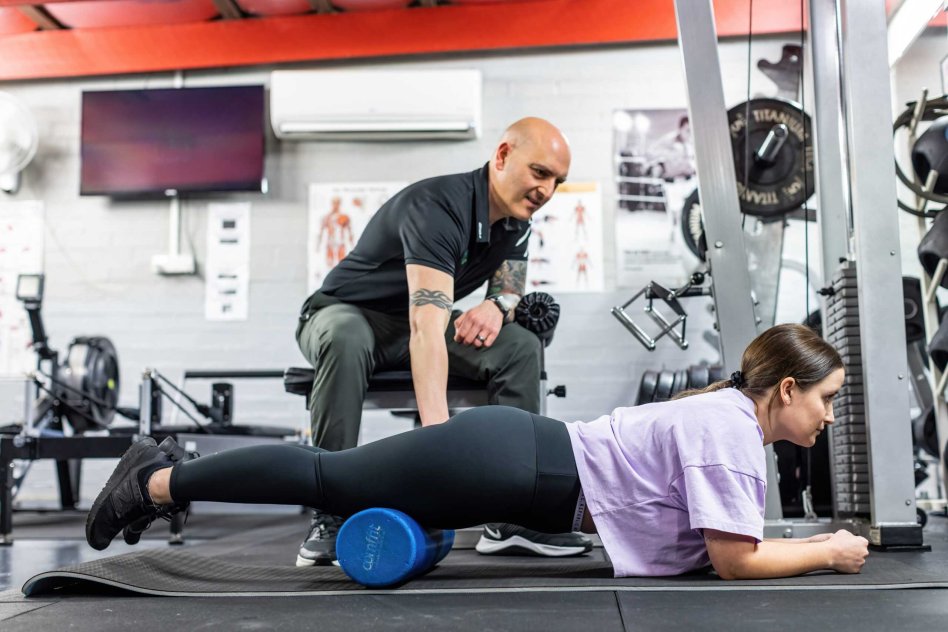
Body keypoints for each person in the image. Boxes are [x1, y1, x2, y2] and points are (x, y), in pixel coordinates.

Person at [87, 324, 870, 579]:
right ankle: (155, 482)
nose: (830, 416)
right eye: (827, 398)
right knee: (331, 477)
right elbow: (736, 561)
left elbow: (724, 545)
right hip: (514, 464)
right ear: (785, 389)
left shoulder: (729, 417)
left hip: (520, 460)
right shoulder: (730, 429)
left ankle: (160, 481)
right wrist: (829, 551)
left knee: (336, 480)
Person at [294, 117, 591, 565]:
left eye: (557, 182)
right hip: (345, 314)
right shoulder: (438, 206)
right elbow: (426, 327)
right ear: (503, 155)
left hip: (410, 324)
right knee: (346, 336)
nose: (546, 190)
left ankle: (513, 511)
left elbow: (508, 287)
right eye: (539, 173)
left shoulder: (517, 222)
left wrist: (497, 306)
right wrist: (439, 446)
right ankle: (331, 509)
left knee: (519, 346)